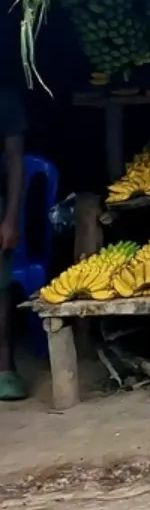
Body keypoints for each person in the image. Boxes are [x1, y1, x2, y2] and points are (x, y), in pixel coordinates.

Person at [0, 87, 27, 401]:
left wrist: (10, 218)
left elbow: (15, 160)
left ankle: (5, 366)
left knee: (1, 288)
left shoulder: (5, 98)